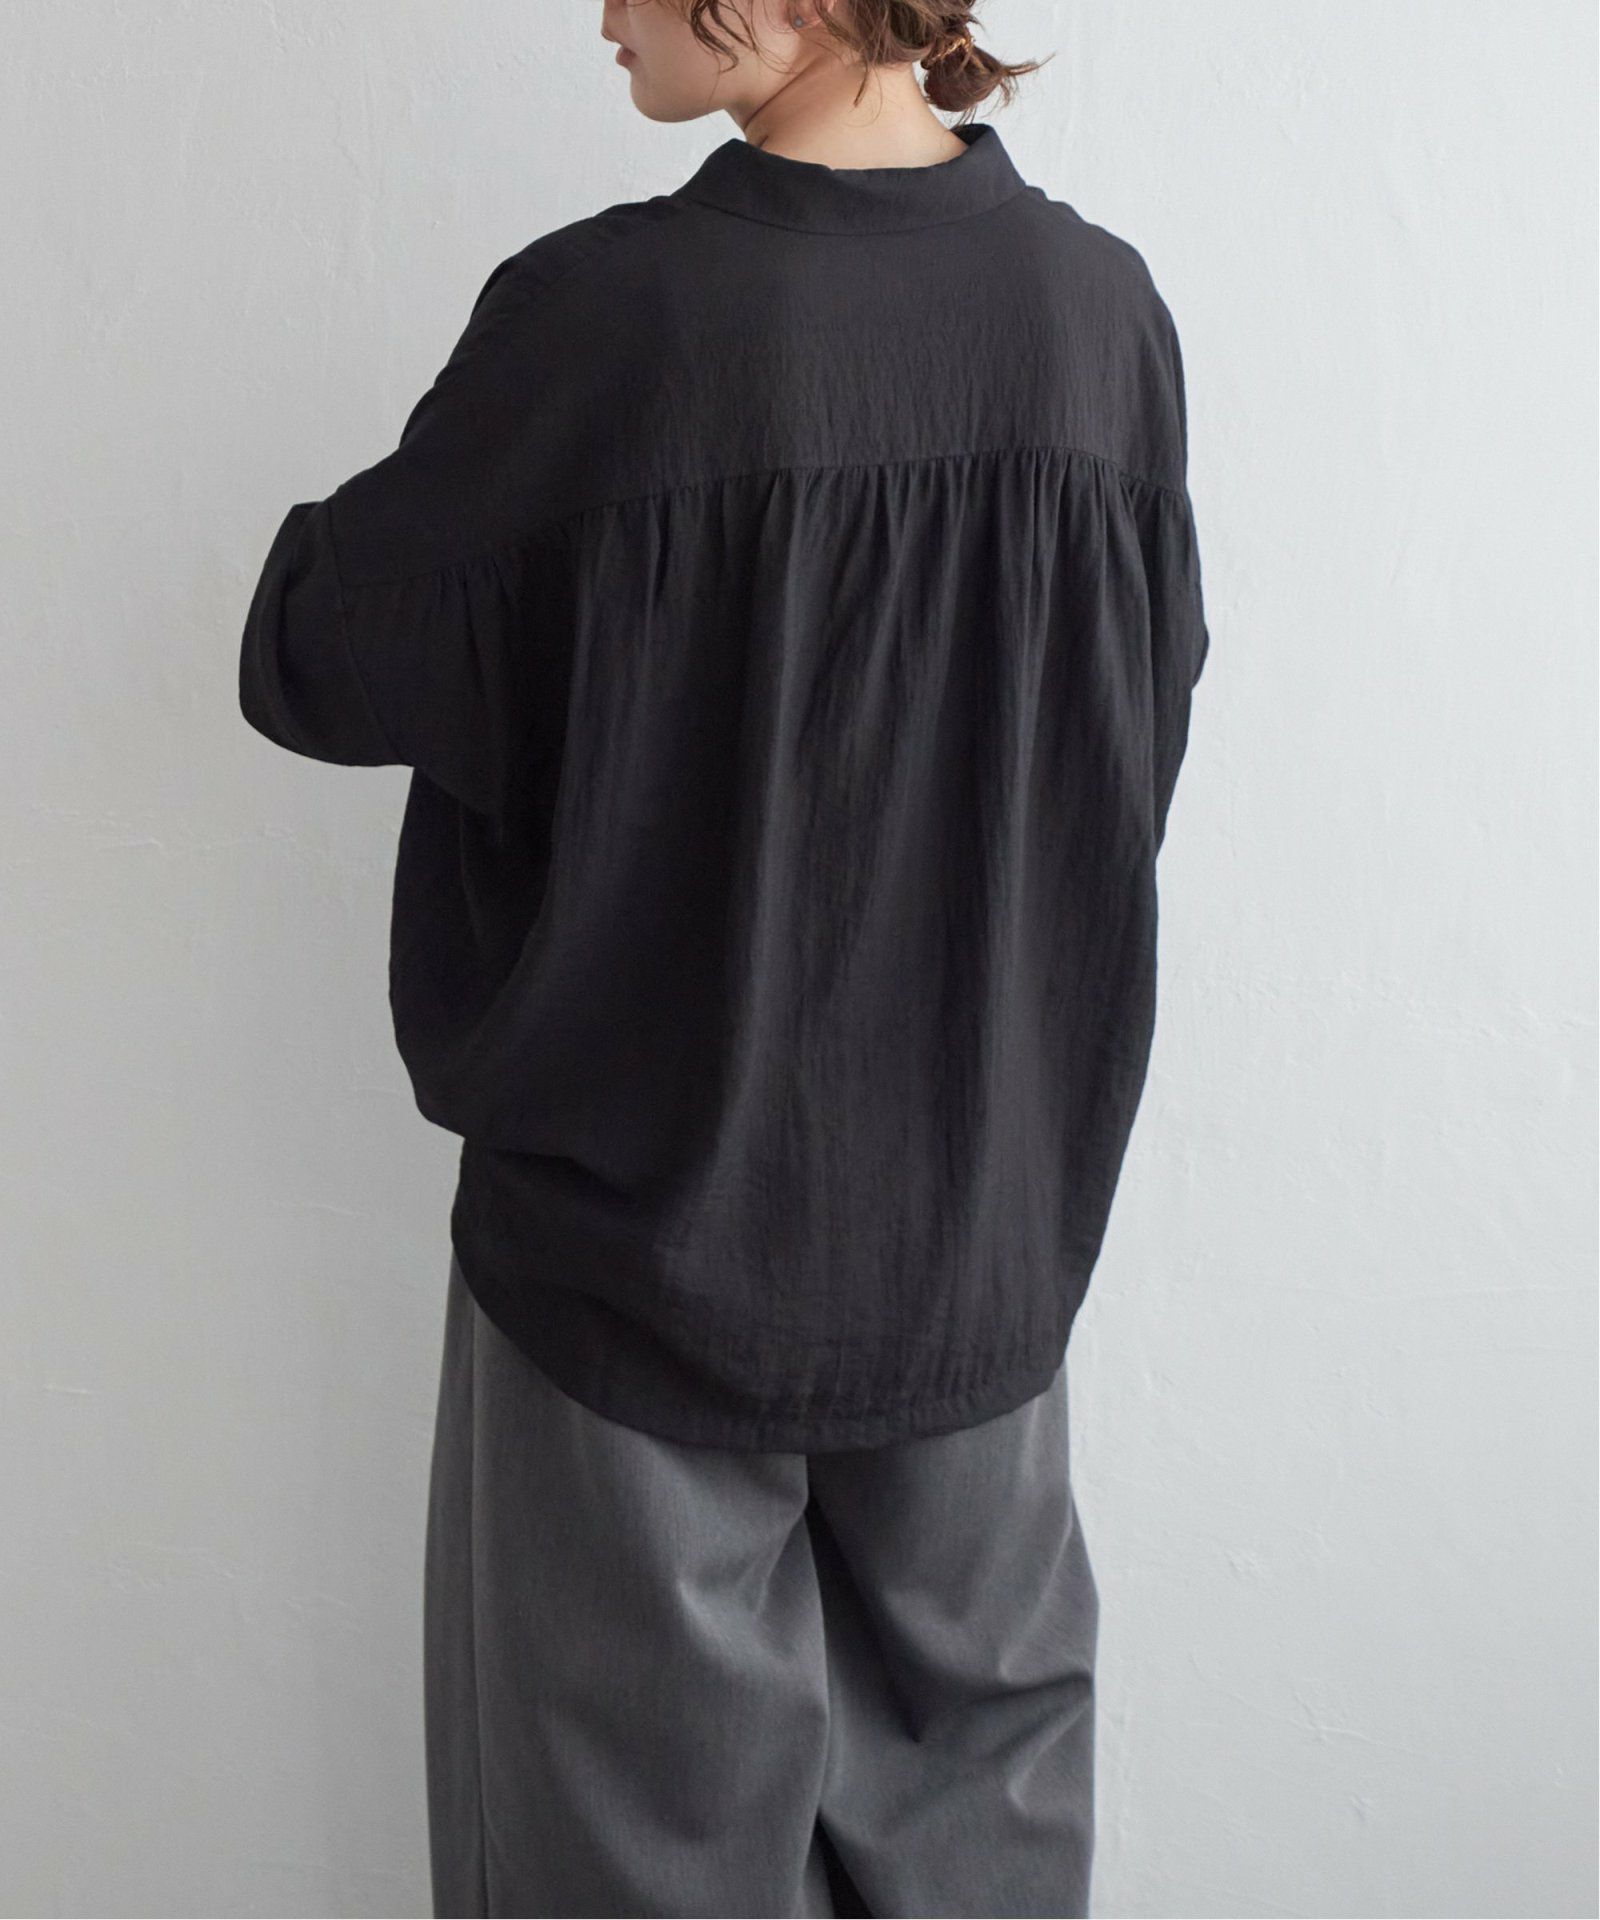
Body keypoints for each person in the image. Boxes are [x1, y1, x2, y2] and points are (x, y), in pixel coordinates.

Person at [238, 0, 1210, 1912]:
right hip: (981, 1265)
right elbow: (1132, 753)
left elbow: (317, 656)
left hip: (636, 1274)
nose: (601, 14)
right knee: (983, 1859)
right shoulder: (1103, 319)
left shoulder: (607, 324)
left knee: (624, 1869)